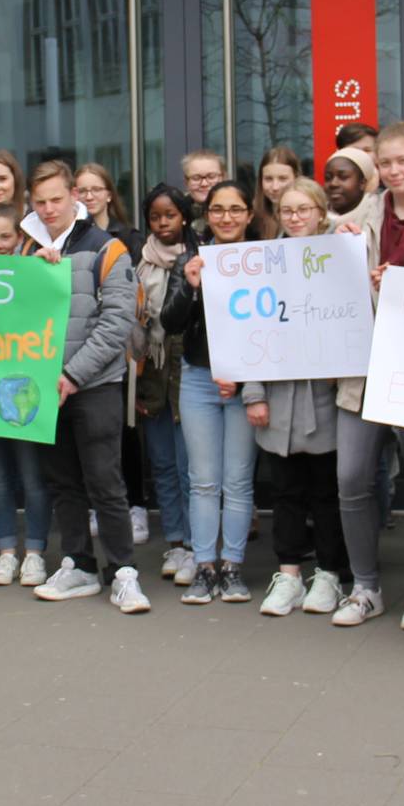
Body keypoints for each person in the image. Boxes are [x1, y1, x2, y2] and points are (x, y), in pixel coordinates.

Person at [332, 121, 404, 630]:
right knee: (352, 477)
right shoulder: (357, 218)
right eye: (385, 163)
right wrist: (338, 244)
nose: (394, 171)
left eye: (403, 160)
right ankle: (365, 587)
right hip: (364, 366)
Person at [21, 161, 148, 613]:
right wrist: (32, 275)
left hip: (93, 386)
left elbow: (117, 323)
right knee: (64, 484)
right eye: (40, 202)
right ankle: (78, 565)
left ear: (74, 195)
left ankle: (123, 572)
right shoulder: (26, 251)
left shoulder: (108, 249)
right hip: (44, 388)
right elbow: (11, 318)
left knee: (105, 481)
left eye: (57, 199)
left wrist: (73, 375)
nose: (49, 209)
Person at [246, 179, 350, 619]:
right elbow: (248, 328)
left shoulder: (341, 257)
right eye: (287, 210)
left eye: (304, 209)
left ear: (321, 212)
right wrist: (253, 393)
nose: (295, 217)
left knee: (327, 492)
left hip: (326, 394)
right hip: (278, 396)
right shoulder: (264, 263)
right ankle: (288, 574)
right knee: (284, 492)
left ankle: (328, 574)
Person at [160, 180, 257, 605]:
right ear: (207, 215)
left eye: (236, 209)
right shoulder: (191, 258)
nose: (226, 218)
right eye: (218, 210)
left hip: (245, 384)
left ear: (249, 215)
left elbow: (271, 328)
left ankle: (232, 566)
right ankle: (204, 566)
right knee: (202, 481)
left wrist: (242, 376)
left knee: (237, 480)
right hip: (199, 378)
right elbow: (170, 323)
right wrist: (190, 286)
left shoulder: (265, 259)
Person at [0, 204, 55, 586]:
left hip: (26, 389)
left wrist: (50, 267)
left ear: (19, 238)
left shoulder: (36, 270)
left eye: (5, 236)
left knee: (32, 474)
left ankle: (35, 552)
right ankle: (7, 552)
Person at [133, 184, 195, 586]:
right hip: (151, 378)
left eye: (169, 215)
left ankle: (195, 543)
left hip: (186, 376)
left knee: (191, 468)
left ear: (184, 217)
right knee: (164, 466)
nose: (162, 223)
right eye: (155, 217)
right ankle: (175, 541)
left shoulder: (198, 258)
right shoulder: (139, 261)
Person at [255, 144, 301, 240]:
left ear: (296, 178)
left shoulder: (311, 214)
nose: (275, 187)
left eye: (282, 179)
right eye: (268, 179)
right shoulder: (252, 217)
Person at [324, 146, 375, 221]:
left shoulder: (379, 216)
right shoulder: (315, 219)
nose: (333, 183)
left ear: (362, 183)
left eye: (343, 177)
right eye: (328, 178)